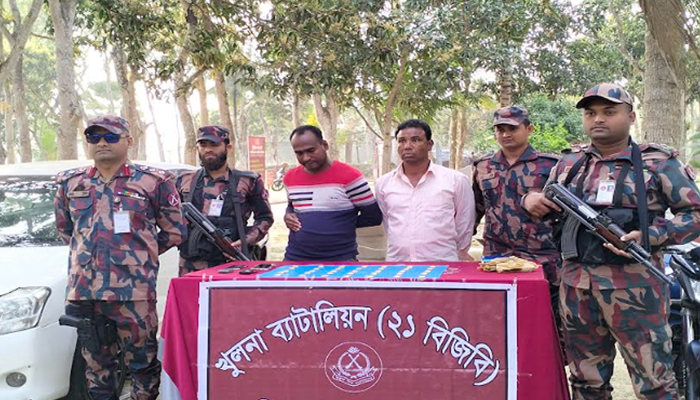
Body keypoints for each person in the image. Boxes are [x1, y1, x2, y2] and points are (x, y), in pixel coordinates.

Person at [523, 83, 700, 399]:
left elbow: (694, 214)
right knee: (586, 383)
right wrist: (531, 199)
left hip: (637, 289)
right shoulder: (569, 163)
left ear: (631, 116)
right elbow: (548, 205)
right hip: (576, 288)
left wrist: (650, 236)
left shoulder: (659, 163)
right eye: (590, 113)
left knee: (655, 384)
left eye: (609, 111)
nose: (598, 119)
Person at [54, 115, 186, 400]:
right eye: (94, 137)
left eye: (111, 137)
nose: (102, 143)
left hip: (134, 293)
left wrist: (139, 254)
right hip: (86, 291)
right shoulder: (70, 183)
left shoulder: (153, 181)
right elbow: (67, 230)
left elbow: (175, 231)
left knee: (142, 364)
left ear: (128, 141)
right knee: (96, 367)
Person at [473, 106, 561, 283]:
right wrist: (461, 244)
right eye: (500, 130)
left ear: (529, 129)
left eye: (512, 128)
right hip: (497, 255)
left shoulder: (551, 165)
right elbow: (476, 208)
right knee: (498, 300)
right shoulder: (483, 166)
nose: (506, 134)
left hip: (540, 254)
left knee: (543, 300)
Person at [176, 125, 273, 275]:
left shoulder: (248, 181)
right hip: (191, 266)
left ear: (228, 147)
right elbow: (169, 218)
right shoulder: (184, 180)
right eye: (203, 145)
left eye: (214, 145)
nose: (208, 149)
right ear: (197, 149)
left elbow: (265, 217)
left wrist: (245, 241)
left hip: (231, 264)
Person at [375, 119, 475, 262]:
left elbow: (464, 225)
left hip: (442, 264)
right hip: (397, 265)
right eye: (402, 141)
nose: (407, 146)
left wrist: (459, 253)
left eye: (415, 140)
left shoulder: (455, 180)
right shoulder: (384, 184)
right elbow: (387, 223)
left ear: (429, 144)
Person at [283, 125, 382, 261]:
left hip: (341, 258)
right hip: (295, 258)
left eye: (311, 150)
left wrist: (341, 225)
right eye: (299, 153)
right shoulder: (290, 178)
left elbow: (374, 216)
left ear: (324, 145)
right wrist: (288, 214)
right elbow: (293, 205)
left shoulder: (351, 177)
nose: (306, 158)